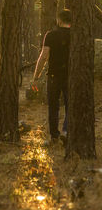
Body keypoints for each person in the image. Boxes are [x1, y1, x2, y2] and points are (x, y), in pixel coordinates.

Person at [33, 9, 71, 142]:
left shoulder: (51, 35)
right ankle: (66, 131)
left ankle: (54, 135)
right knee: (70, 105)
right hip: (70, 76)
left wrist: (36, 77)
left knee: (53, 106)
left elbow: (43, 57)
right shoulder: (75, 35)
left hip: (54, 75)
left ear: (59, 20)